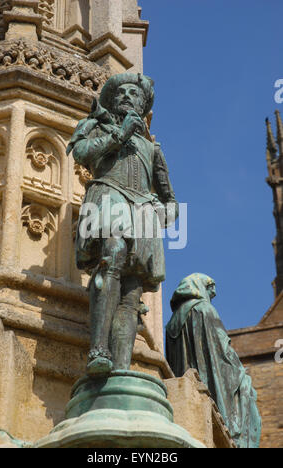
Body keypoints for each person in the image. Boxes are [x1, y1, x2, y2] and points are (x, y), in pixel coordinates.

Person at [67, 73, 178, 376]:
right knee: (112, 254)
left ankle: (120, 367)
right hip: (108, 197)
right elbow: (81, 153)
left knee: (132, 290)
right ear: (112, 100)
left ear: (143, 105)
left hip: (142, 212)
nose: (128, 96)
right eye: (122, 92)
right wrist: (120, 134)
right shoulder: (96, 126)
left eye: (135, 93)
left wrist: (163, 212)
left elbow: (171, 202)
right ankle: (98, 350)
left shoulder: (153, 149)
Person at [165, 273, 261, 448]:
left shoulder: (171, 323)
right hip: (209, 387)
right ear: (200, 288)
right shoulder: (205, 310)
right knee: (247, 389)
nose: (210, 297)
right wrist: (241, 375)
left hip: (185, 390)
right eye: (210, 292)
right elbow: (222, 351)